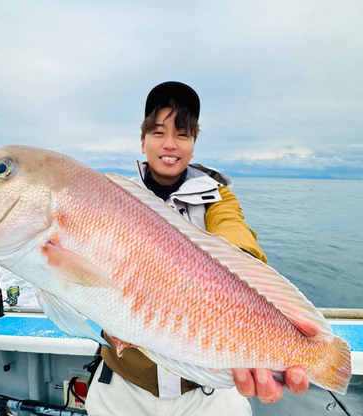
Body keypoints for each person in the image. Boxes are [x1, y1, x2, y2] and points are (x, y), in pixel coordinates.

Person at [84, 81, 309, 415]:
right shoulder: (114, 195)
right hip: (123, 385)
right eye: (159, 133)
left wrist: (240, 276)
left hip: (206, 393)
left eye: (183, 135)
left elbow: (236, 234)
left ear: (193, 144)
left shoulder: (218, 197)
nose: (170, 144)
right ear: (143, 141)